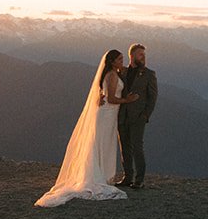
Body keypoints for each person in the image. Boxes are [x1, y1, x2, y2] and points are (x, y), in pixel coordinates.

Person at [34, 49, 137, 207]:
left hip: (107, 114)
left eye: (122, 58)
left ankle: (101, 173)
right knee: (103, 143)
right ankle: (100, 175)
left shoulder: (110, 73)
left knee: (101, 143)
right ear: (112, 62)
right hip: (107, 114)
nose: (121, 61)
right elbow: (111, 98)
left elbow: (103, 93)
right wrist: (127, 100)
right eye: (119, 59)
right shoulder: (112, 75)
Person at [113, 43, 157, 189]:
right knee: (124, 147)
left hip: (138, 117)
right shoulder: (122, 72)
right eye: (140, 54)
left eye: (144, 55)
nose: (143, 57)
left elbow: (153, 97)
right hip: (122, 116)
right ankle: (127, 177)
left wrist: (145, 115)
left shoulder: (149, 74)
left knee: (137, 147)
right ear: (131, 56)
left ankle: (139, 180)